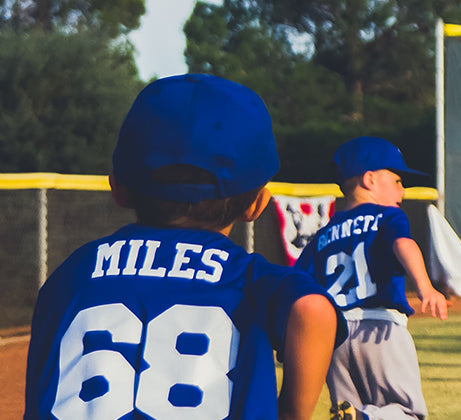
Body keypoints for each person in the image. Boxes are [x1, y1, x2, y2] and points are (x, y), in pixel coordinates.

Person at [22, 74, 340, 419]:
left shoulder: (72, 273)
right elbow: (312, 310)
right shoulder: (247, 277)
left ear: (119, 189)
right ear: (257, 205)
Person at [296, 136, 450, 419]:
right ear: (369, 180)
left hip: (335, 337)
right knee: (406, 412)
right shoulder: (388, 216)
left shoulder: (323, 235)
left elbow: (297, 285)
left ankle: (356, 415)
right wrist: (426, 286)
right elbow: (403, 244)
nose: (402, 192)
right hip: (380, 328)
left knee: (346, 411)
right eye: (397, 181)